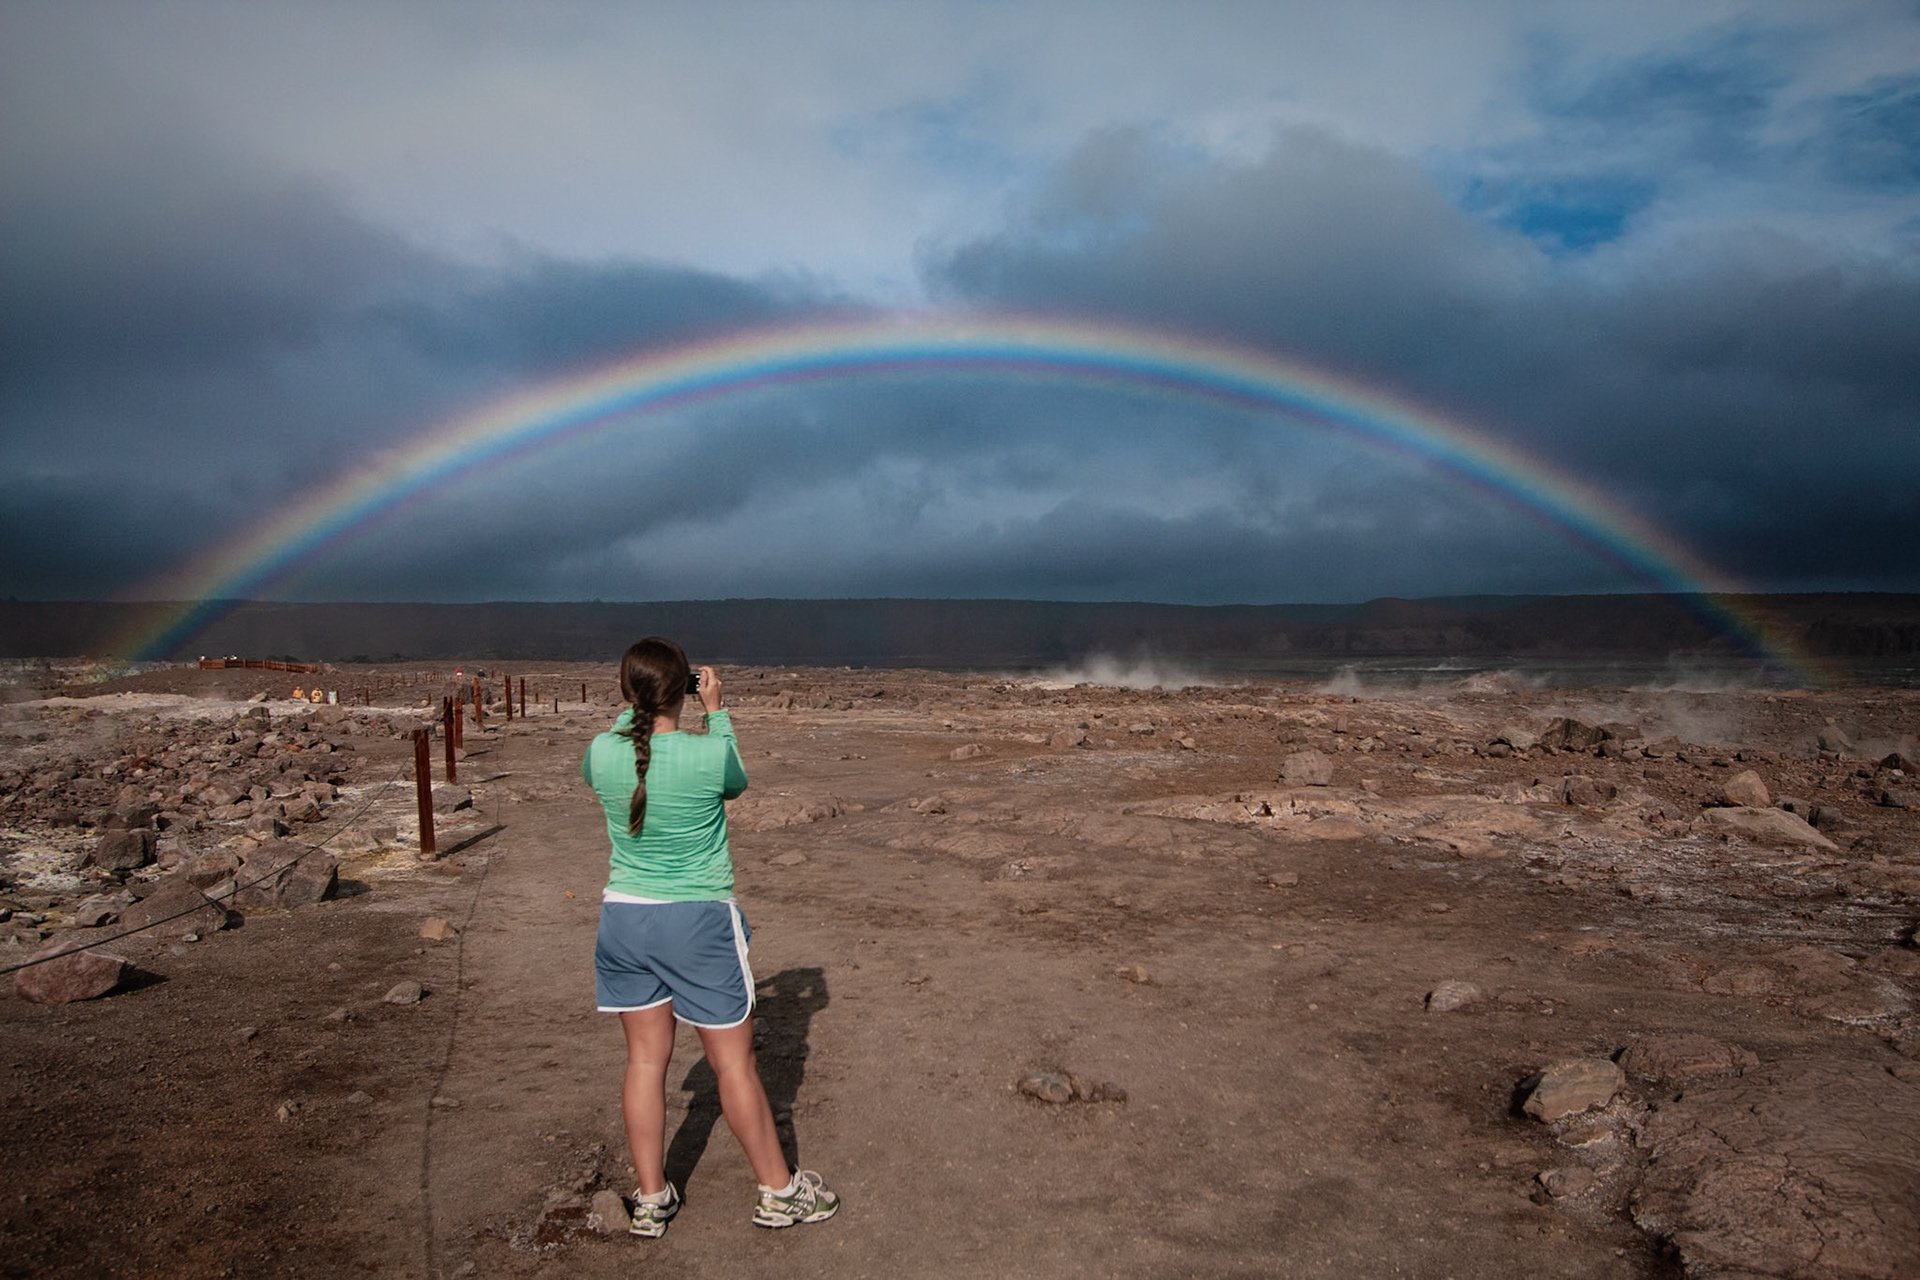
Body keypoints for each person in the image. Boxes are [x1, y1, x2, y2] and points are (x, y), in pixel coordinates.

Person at [581, 636, 839, 1237]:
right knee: (734, 1066)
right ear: (686, 690)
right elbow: (735, 782)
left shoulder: (601, 751)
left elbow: (621, 746)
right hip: (697, 922)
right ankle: (779, 1192)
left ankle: (652, 1198)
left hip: (624, 920)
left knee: (645, 1061)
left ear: (625, 691)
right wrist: (716, 710)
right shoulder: (708, 752)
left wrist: (634, 706)